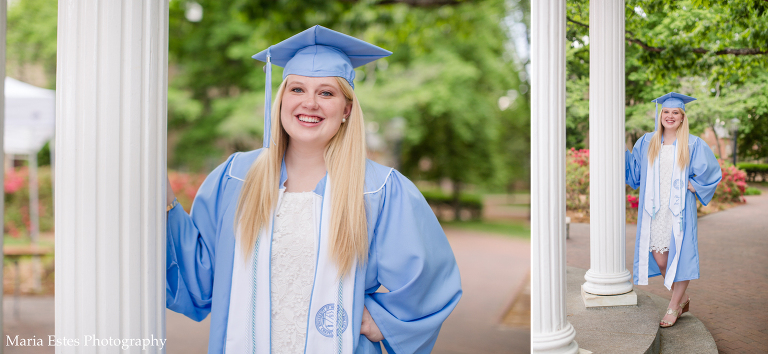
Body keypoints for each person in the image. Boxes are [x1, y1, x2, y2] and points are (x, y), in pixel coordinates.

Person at [165, 25, 462, 353]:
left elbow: (432, 280)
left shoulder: (378, 191)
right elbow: (200, 277)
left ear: (346, 109)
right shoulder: (237, 178)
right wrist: (166, 207)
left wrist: (381, 320)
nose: (310, 103)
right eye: (297, 90)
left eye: (326, 93)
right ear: (280, 100)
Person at [625, 92, 722, 328]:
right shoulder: (647, 142)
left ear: (682, 117)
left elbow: (713, 171)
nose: (670, 116)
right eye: (666, 112)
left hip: (679, 209)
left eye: (675, 112)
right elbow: (635, 174)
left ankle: (673, 306)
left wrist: (695, 185)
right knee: (661, 259)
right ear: (660, 115)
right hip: (654, 209)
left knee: (682, 256)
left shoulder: (693, 143)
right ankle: (683, 298)